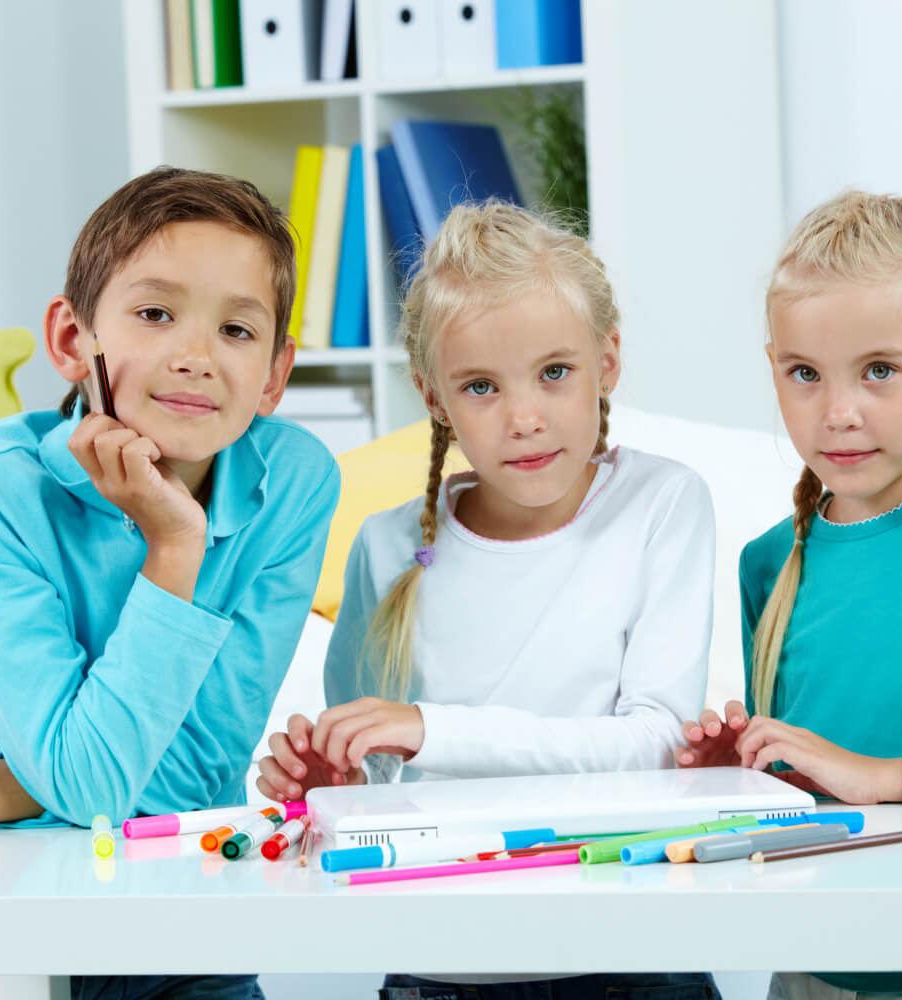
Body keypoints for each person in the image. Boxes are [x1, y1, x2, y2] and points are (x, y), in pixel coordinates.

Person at [0, 166, 341, 1000]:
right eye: (156, 314)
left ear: (275, 373)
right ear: (73, 341)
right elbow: (94, 789)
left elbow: (195, 775)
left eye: (237, 329)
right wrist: (176, 549)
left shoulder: (293, 482)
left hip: (185, 942)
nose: (196, 357)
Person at [260, 200, 720, 1000]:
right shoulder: (388, 546)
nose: (525, 418)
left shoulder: (662, 504)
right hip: (441, 968)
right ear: (433, 396)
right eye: (481, 386)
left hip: (629, 961)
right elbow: (377, 777)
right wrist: (333, 792)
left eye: (555, 372)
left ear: (607, 360)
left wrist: (428, 730)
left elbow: (655, 743)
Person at [676, 190, 902, 1000]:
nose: (837, 412)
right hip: (812, 966)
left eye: (879, 371)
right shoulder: (770, 562)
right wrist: (743, 772)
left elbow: (864, 775)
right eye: (805, 374)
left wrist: (882, 775)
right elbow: (812, 792)